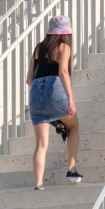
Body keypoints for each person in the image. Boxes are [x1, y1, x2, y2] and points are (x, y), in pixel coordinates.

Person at [25, 15, 81, 186]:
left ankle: (38, 184)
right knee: (73, 126)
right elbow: (63, 72)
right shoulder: (64, 47)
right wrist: (70, 98)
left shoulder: (38, 48)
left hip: (35, 93)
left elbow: (29, 79)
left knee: (41, 144)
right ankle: (72, 169)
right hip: (54, 89)